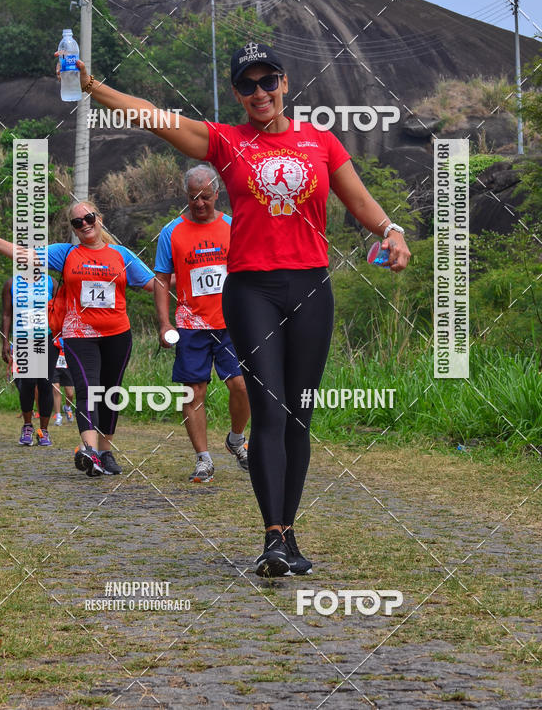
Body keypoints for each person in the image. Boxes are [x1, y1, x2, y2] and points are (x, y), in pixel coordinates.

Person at [70, 41, 411, 574]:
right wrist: (93, 87)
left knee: (299, 414)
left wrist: (391, 230)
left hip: (310, 288)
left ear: (284, 83)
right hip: (252, 290)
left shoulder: (321, 141)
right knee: (269, 408)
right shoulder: (227, 141)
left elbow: (360, 200)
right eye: (248, 85)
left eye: (268, 81)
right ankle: (272, 536)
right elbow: (154, 117)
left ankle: (289, 535)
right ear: (236, 93)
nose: (260, 92)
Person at [0, 200, 155, 476]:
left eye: (88, 218)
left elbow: (155, 284)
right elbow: (26, 255)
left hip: (117, 334)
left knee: (110, 393)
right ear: (73, 228)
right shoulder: (66, 253)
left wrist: (185, 277)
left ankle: (106, 452)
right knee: (87, 389)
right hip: (78, 334)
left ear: (99, 218)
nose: (84, 224)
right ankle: (90, 452)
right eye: (77, 222)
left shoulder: (121, 255)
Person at [154, 163, 251, 483]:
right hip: (190, 325)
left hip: (230, 323)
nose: (199, 203)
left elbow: (248, 272)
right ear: (186, 194)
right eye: (193, 196)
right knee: (193, 392)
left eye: (205, 196)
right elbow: (161, 279)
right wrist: (164, 323)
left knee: (241, 385)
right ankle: (203, 459)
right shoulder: (171, 232)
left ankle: (236, 439)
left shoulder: (233, 226)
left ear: (217, 193)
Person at [2, 274, 58, 445]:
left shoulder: (51, 282)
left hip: (47, 338)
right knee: (27, 382)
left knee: (45, 383)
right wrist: (5, 342)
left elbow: (59, 311)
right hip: (23, 338)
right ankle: (27, 426)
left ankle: (44, 431)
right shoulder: (11, 283)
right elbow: (7, 314)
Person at [52, 337, 75, 423]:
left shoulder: (69, 335)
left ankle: (67, 407)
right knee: (56, 389)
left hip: (67, 366)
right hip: (54, 366)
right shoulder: (52, 335)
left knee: (70, 394)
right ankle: (58, 416)